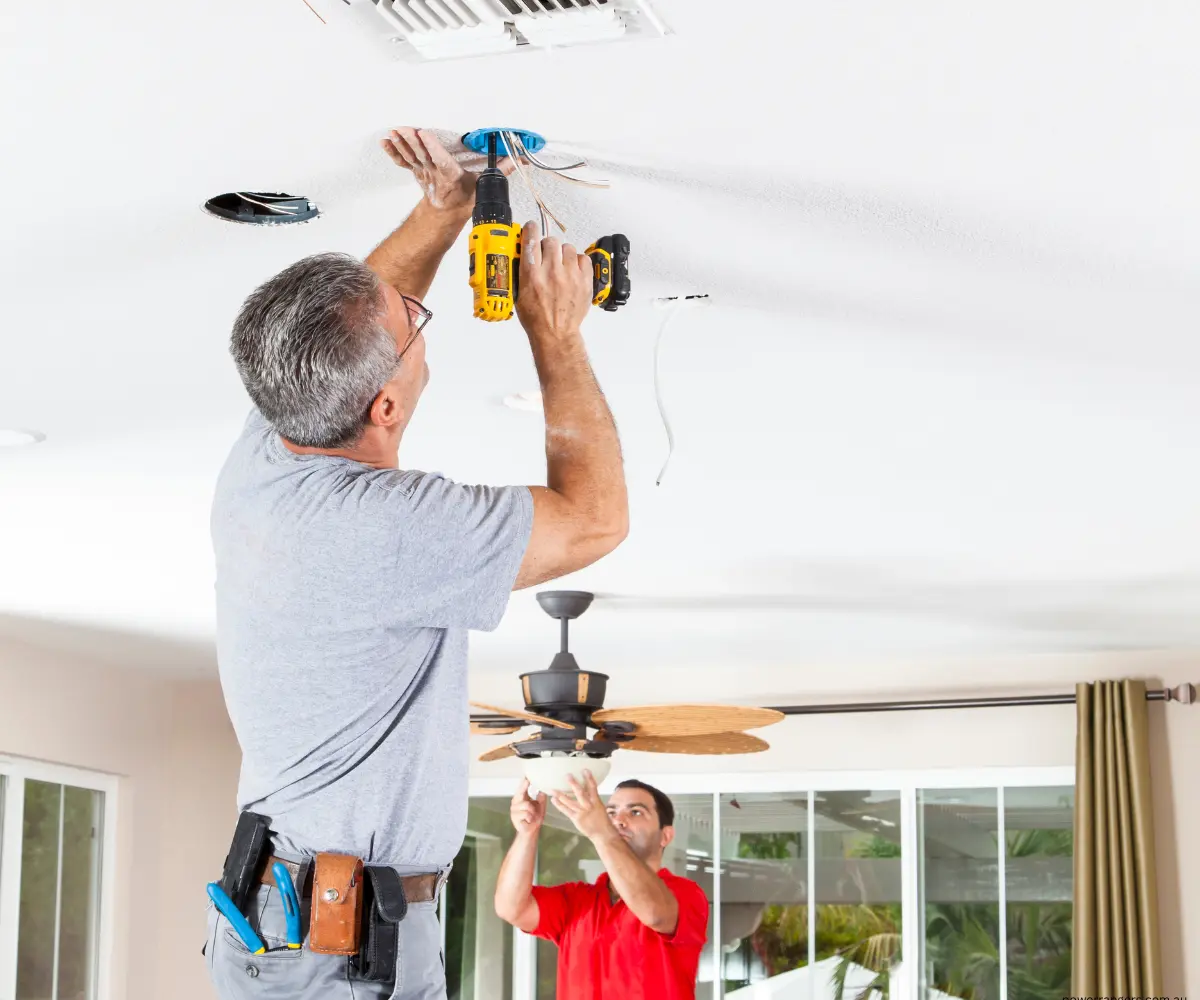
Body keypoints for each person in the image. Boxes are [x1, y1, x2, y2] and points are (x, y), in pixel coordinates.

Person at [204, 127, 628, 1000]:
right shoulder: (391, 530)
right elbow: (592, 522)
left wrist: (442, 209)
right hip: (336, 950)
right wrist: (556, 334)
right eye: (416, 326)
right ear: (386, 404)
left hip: (312, 925)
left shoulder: (272, 444)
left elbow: (368, 309)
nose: (413, 312)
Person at [494, 773, 709, 1000]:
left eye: (635, 812)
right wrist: (528, 833)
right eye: (611, 813)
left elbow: (654, 913)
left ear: (665, 836)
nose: (618, 820)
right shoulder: (577, 900)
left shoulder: (684, 894)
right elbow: (511, 907)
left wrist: (603, 833)